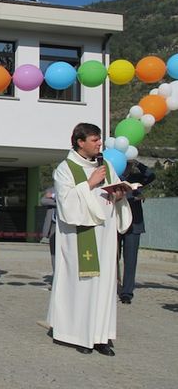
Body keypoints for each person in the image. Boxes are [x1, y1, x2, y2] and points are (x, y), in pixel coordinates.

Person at [47, 123, 131, 356]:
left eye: (100, 139)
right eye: (94, 140)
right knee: (82, 284)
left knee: (104, 285)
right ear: (79, 142)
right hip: (79, 238)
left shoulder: (106, 166)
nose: (99, 143)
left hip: (104, 235)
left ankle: (100, 336)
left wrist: (119, 195)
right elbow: (66, 204)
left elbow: (113, 192)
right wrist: (90, 183)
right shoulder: (65, 169)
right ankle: (78, 335)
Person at [118, 160, 155, 304]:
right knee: (113, 258)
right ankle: (112, 285)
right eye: (125, 162)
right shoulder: (113, 177)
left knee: (131, 259)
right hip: (116, 221)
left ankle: (127, 292)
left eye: (128, 163)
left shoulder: (136, 177)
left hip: (134, 224)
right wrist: (132, 197)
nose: (127, 165)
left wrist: (138, 164)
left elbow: (151, 176)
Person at [40, 186, 57, 273]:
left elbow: (69, 200)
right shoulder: (50, 189)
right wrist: (58, 202)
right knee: (53, 253)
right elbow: (43, 201)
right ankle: (55, 276)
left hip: (66, 225)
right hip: (53, 224)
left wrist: (54, 196)